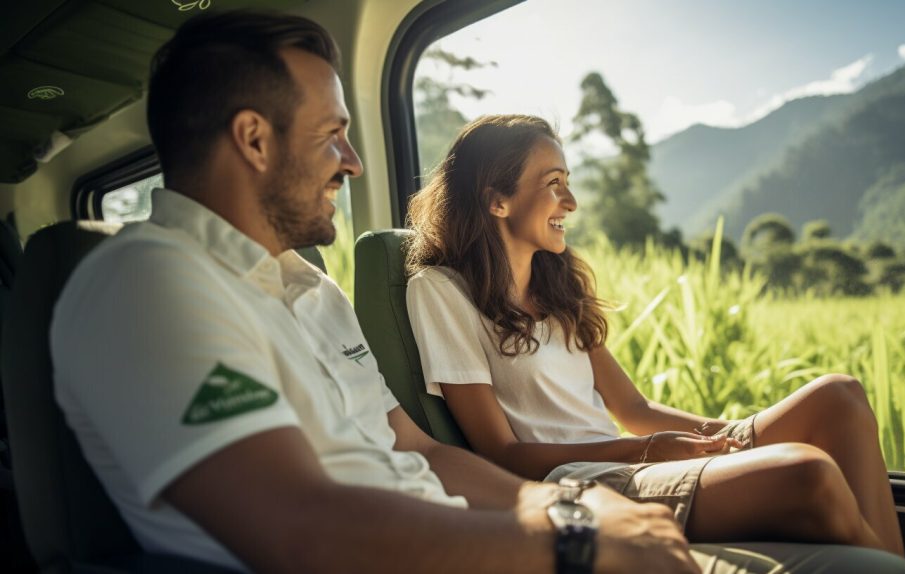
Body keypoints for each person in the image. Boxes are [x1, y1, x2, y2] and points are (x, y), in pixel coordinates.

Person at [50, 13, 699, 574]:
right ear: (253, 139)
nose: (353, 161)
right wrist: (574, 543)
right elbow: (306, 532)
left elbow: (417, 451)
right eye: (332, 134)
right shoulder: (146, 283)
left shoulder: (315, 293)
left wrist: (567, 507)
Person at [405, 114, 905, 557]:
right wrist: (645, 451)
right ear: (498, 200)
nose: (571, 202)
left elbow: (635, 411)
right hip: (579, 482)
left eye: (569, 182)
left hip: (626, 458)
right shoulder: (442, 292)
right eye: (554, 183)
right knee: (807, 473)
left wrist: (719, 439)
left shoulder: (559, 283)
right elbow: (500, 454)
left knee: (839, 397)